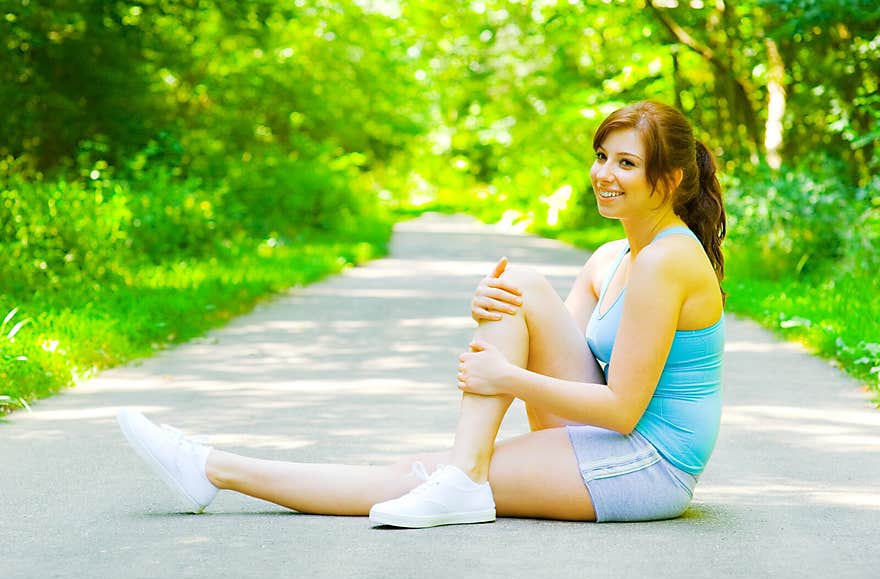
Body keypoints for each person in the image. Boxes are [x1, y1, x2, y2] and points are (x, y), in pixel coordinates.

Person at [116, 99, 726, 528]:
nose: (603, 174)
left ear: (669, 179)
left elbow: (621, 408)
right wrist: (491, 310)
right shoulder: (612, 255)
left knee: (415, 476)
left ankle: (214, 469)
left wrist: (505, 379)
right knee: (516, 283)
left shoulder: (665, 262)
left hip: (646, 464)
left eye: (625, 163)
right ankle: (461, 475)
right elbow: (550, 350)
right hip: (603, 439)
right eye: (601, 156)